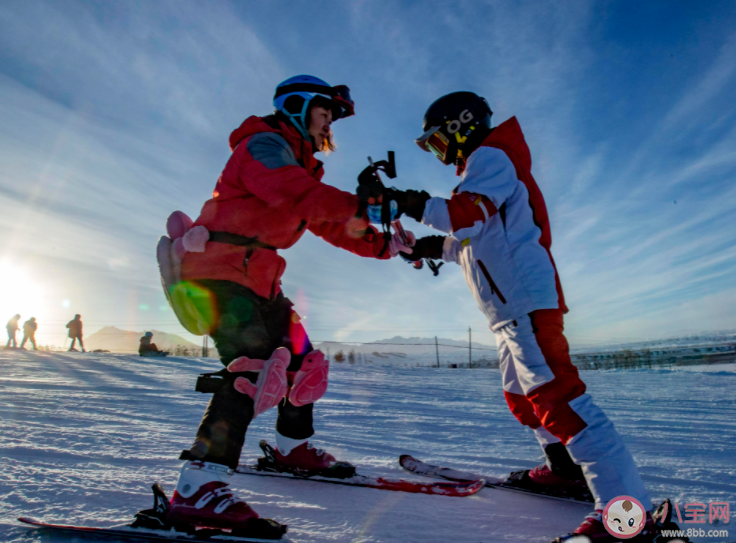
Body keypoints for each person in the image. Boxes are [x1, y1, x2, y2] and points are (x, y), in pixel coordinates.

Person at [385, 92, 652, 542]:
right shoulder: (478, 172)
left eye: (436, 142)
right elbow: (470, 241)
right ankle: (564, 471)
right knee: (525, 402)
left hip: (525, 302)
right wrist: (425, 247)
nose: (437, 153)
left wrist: (404, 201)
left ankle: (628, 519)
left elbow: (462, 216)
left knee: (561, 401)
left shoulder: (491, 156)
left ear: (459, 126)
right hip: (505, 312)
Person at [163, 75, 412, 536]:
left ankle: (291, 448)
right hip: (218, 273)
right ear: (298, 106)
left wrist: (385, 244)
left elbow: (330, 222)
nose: (329, 126)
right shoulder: (262, 147)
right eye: (326, 113)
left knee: (304, 364)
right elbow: (295, 194)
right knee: (251, 370)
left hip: (260, 278)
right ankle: (197, 487)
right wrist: (370, 205)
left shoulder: (303, 168)